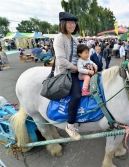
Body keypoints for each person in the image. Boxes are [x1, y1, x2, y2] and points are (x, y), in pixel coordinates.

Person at [53, 12, 81, 140]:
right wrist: (76, 68)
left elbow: (79, 56)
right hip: (67, 73)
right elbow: (61, 60)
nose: (72, 25)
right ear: (63, 24)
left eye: (74, 22)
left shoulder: (75, 39)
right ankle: (70, 124)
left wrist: (88, 64)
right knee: (76, 95)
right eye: (69, 22)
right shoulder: (59, 38)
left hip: (77, 70)